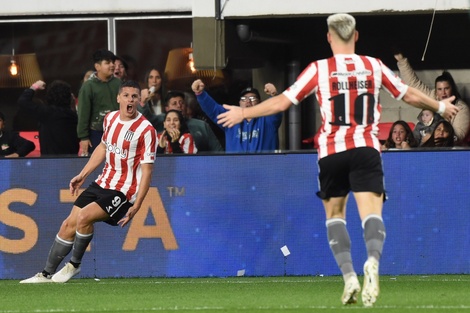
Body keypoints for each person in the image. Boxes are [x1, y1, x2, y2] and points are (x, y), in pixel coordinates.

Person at [217, 13, 459, 307]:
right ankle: (372, 261)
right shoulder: (373, 65)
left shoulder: (319, 69)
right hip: (366, 148)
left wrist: (243, 113)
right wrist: (439, 106)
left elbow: (283, 101)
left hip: (332, 151)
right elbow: (406, 94)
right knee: (371, 214)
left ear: (329, 38)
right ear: (356, 36)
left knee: (335, 217)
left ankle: (348, 276)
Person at [20, 80, 157, 284]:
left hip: (124, 190)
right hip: (102, 182)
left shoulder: (146, 130)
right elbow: (102, 148)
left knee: (84, 217)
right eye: (126, 95)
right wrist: (83, 175)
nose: (130, 99)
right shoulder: (110, 119)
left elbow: (147, 171)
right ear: (118, 98)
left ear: (139, 100)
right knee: (67, 225)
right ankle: (45, 275)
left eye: (134, 96)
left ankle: (74, 265)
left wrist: (137, 205)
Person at [394, 53, 470, 145]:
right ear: (436, 91)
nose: (443, 93)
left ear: (452, 89)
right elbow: (413, 84)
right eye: (440, 89)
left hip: (446, 149)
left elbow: (458, 135)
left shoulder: (461, 108)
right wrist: (401, 61)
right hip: (422, 145)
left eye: (446, 88)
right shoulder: (432, 97)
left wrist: (433, 139)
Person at [192, 80, 282, 152]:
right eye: (243, 99)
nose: (248, 101)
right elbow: (213, 109)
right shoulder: (230, 119)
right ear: (239, 103)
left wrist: (273, 96)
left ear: (260, 102)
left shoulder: (267, 119)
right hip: (236, 171)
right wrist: (200, 94)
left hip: (265, 170)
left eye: (252, 98)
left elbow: (275, 108)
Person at [17, 80, 80, 155]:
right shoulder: (73, 116)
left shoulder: (46, 113)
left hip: (49, 160)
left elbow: (23, 101)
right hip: (71, 160)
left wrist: (34, 86)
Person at [77, 49, 120, 156]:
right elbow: (83, 113)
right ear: (97, 66)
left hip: (118, 132)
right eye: (107, 63)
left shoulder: (118, 83)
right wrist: (84, 137)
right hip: (96, 133)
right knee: (98, 165)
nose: (112, 65)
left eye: (112, 62)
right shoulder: (88, 86)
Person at [152, 90, 223, 153]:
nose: (179, 106)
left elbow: (218, 151)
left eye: (181, 103)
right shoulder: (159, 129)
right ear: (167, 108)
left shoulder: (201, 125)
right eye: (174, 104)